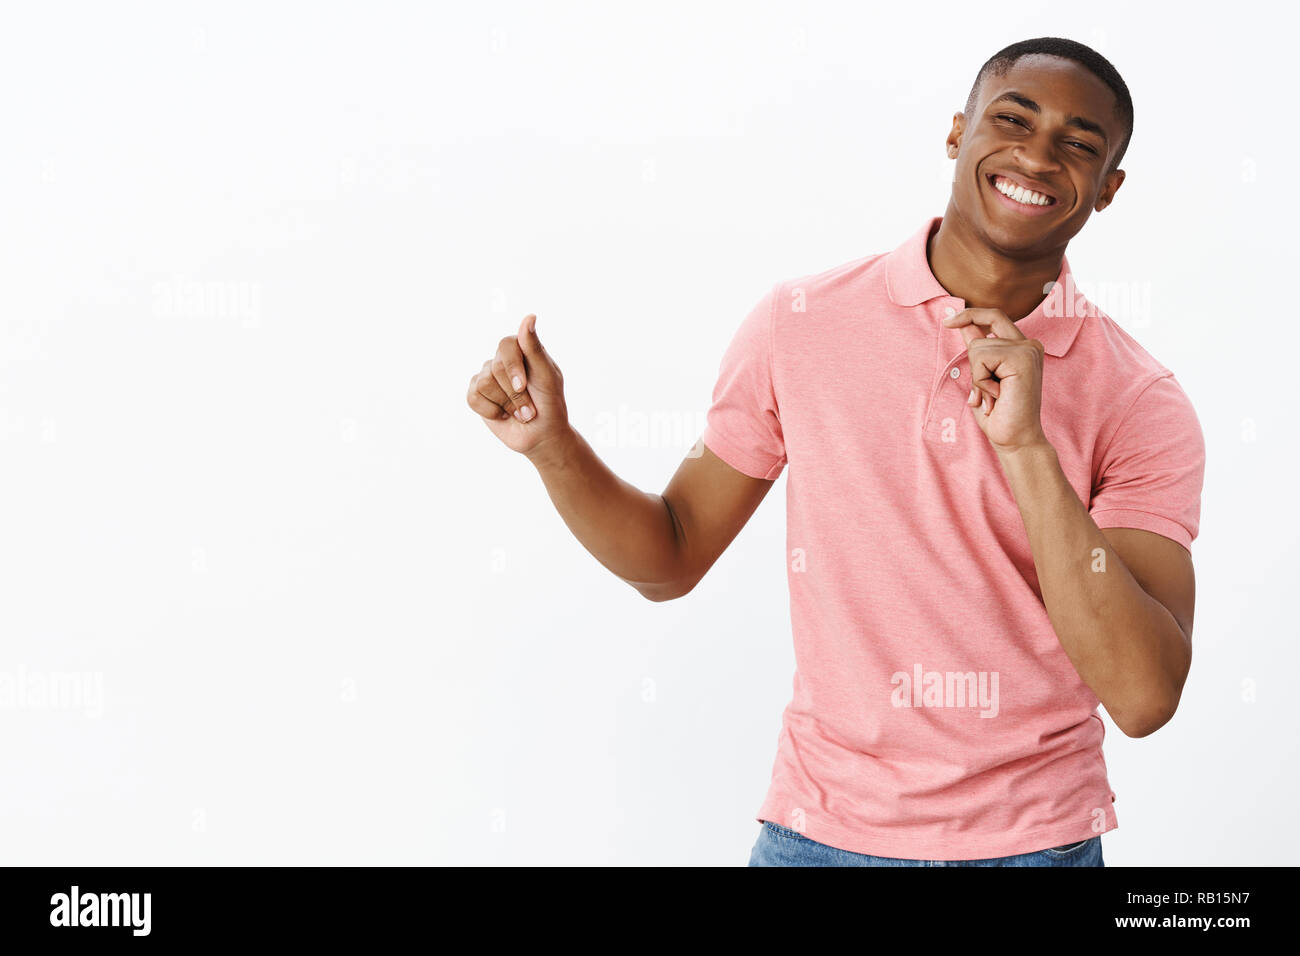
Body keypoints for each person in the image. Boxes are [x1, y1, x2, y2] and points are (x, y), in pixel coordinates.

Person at [465, 36, 1205, 867]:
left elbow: (1143, 696)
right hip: (818, 837)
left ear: (1109, 189)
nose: (1036, 154)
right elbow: (669, 557)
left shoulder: (1142, 398)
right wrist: (552, 447)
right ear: (957, 132)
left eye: (1079, 143)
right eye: (1013, 118)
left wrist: (1026, 446)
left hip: (1036, 846)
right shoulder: (802, 323)